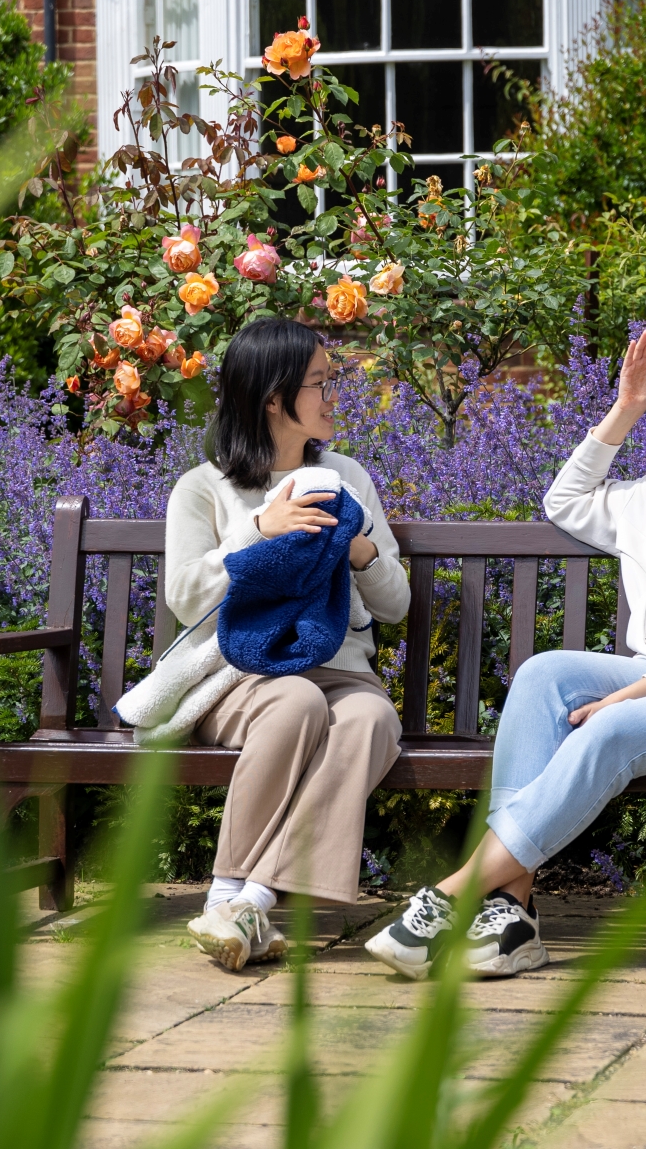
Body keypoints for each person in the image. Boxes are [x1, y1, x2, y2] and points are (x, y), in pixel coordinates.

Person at [365, 309, 646, 980]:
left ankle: (449, 897)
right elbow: (567, 500)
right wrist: (625, 408)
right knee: (545, 674)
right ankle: (511, 914)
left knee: (612, 730)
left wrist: (634, 693)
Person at [121, 317, 408, 972]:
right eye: (322, 383)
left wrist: (362, 551)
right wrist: (259, 527)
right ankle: (225, 889)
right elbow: (187, 598)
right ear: (275, 397)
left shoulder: (348, 479)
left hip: (342, 672)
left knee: (371, 718)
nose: (336, 396)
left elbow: (397, 604)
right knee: (296, 702)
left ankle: (248, 899)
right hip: (243, 677)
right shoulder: (204, 488)